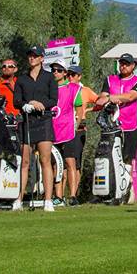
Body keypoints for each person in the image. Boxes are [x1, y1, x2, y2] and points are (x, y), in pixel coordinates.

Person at [12, 45, 58, 212]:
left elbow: (54, 100)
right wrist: (26, 105)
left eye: (35, 56)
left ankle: (48, 200)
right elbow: (16, 100)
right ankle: (19, 198)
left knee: (45, 160)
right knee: (24, 161)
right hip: (27, 120)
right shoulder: (22, 79)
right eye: (30, 55)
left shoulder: (49, 78)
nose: (32, 58)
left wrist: (40, 104)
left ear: (41, 59)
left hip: (44, 120)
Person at [95, 53, 137, 203]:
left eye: (127, 63)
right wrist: (107, 98)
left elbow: (130, 97)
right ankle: (112, 191)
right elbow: (101, 98)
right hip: (112, 126)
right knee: (111, 157)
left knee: (127, 159)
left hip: (131, 125)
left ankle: (125, 191)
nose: (123, 66)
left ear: (133, 66)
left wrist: (111, 98)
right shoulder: (110, 80)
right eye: (121, 63)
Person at [48, 60, 82, 206]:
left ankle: (73, 196)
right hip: (52, 132)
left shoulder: (72, 88)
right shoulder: (48, 89)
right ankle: (58, 196)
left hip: (68, 131)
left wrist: (76, 125)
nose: (55, 72)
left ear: (65, 73)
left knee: (70, 163)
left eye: (59, 70)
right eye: (53, 70)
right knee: (56, 164)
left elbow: (79, 109)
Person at [66, 65, 96, 194]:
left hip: (79, 128)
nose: (70, 77)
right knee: (63, 162)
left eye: (73, 75)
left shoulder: (84, 90)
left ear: (79, 77)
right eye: (69, 75)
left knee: (76, 163)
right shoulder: (63, 89)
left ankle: (74, 194)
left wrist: (88, 110)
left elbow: (100, 101)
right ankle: (61, 195)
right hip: (64, 127)